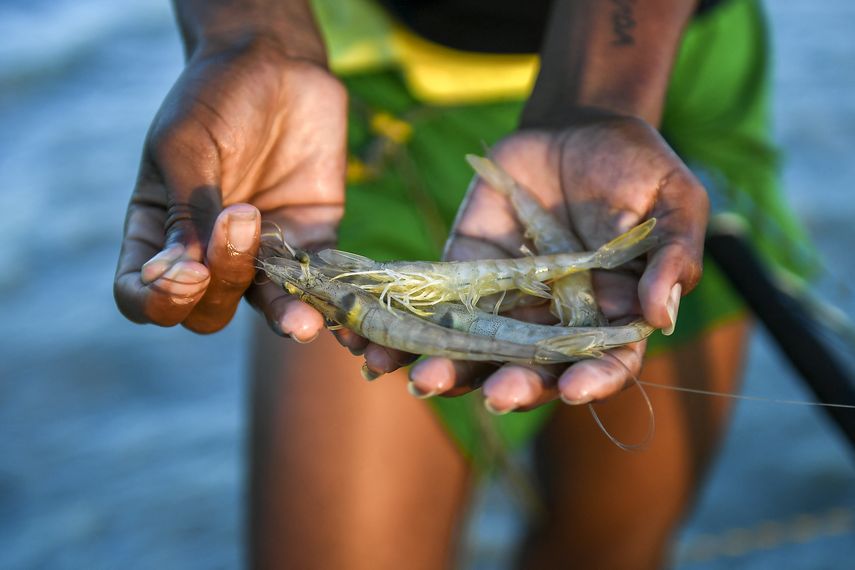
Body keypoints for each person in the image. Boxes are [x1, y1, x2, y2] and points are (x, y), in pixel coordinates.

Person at [114, 0, 810, 567]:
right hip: (376, 96)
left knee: (609, 547)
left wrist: (598, 98)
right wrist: (251, 33)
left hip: (665, 51)